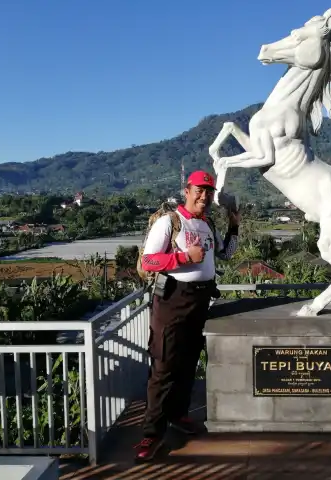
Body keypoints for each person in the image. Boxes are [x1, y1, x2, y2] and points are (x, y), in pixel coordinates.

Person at [134, 170, 239, 461]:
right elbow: (149, 261)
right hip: (172, 300)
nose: (204, 196)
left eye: (209, 192)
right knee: (164, 365)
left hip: (200, 300)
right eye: (199, 190)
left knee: (188, 362)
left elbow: (226, 254)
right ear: (187, 190)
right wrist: (182, 257)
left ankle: (178, 415)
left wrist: (233, 226)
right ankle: (151, 434)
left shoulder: (207, 225)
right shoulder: (170, 222)